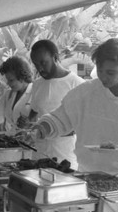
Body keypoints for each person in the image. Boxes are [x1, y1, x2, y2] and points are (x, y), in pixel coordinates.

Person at [29, 38, 118, 212]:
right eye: (100, 71)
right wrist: (40, 129)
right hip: (88, 179)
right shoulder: (84, 92)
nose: (104, 77)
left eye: (111, 73)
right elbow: (59, 118)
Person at [18, 39, 85, 168]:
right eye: (36, 64)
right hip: (39, 153)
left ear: (55, 57)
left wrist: (50, 130)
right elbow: (34, 114)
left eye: (43, 62)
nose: (40, 68)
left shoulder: (77, 84)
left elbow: (81, 126)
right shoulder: (37, 84)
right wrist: (27, 124)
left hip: (65, 155)